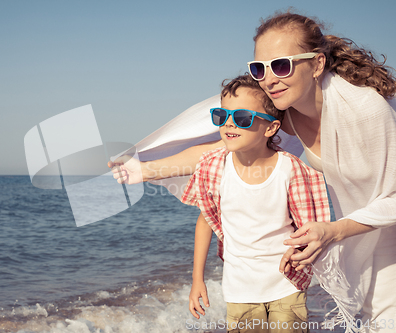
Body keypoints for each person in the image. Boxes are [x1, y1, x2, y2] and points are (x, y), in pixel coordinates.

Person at [109, 11, 396, 332]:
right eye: (259, 68)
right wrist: (145, 170)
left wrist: (333, 230)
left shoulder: (366, 110)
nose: (269, 79)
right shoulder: (285, 113)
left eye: (282, 65)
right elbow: (229, 148)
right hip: (355, 226)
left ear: (316, 64)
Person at [181, 74, 330, 333]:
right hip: (240, 291)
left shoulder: (290, 169)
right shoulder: (214, 168)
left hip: (286, 284)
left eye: (241, 118)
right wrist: (197, 280)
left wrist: (302, 253)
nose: (229, 123)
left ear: (270, 128)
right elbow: (205, 221)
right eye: (222, 115)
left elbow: (308, 225)